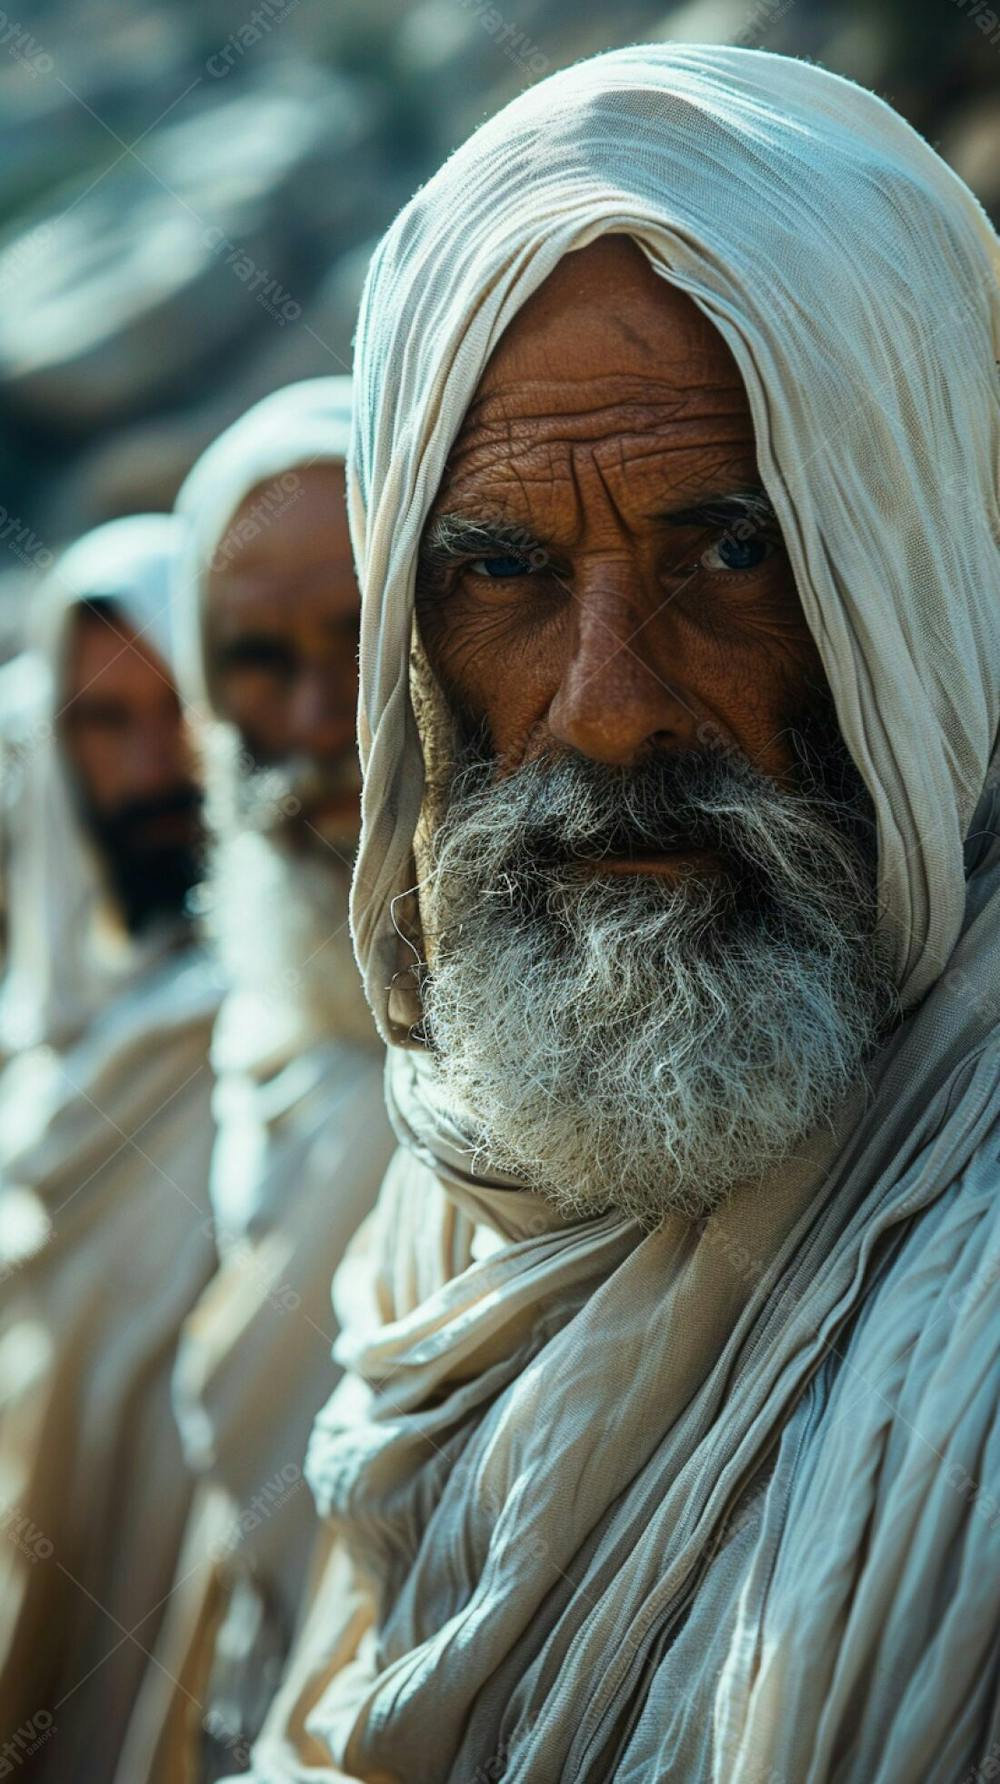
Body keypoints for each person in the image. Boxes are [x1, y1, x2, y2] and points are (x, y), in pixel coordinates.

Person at [240, 44, 1000, 1784]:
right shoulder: (450, 1207)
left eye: (730, 549)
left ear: (927, 574)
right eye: (499, 569)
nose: (606, 708)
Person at [114, 382, 395, 1784]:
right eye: (251, 660)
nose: (313, 717)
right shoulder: (260, 1046)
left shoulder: (574, 1075)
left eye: (360, 640)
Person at [0, 516, 219, 1784]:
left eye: (176, 706)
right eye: (103, 721)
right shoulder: (46, 1043)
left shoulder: (287, 1037)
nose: (150, 767)